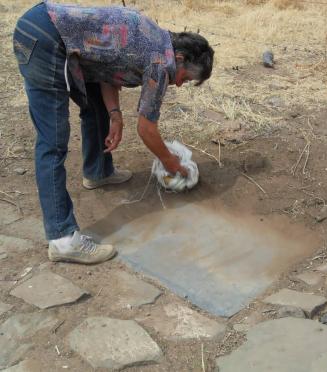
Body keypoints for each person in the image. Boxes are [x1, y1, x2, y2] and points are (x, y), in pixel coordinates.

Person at [13, 1, 214, 264]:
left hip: (42, 27)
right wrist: (170, 161)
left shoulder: (155, 38)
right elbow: (146, 128)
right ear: (179, 59)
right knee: (53, 141)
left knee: (95, 109)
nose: (179, 84)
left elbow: (106, 69)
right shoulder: (160, 62)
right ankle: (62, 239)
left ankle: (98, 172)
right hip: (48, 39)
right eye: (185, 78)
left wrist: (115, 116)